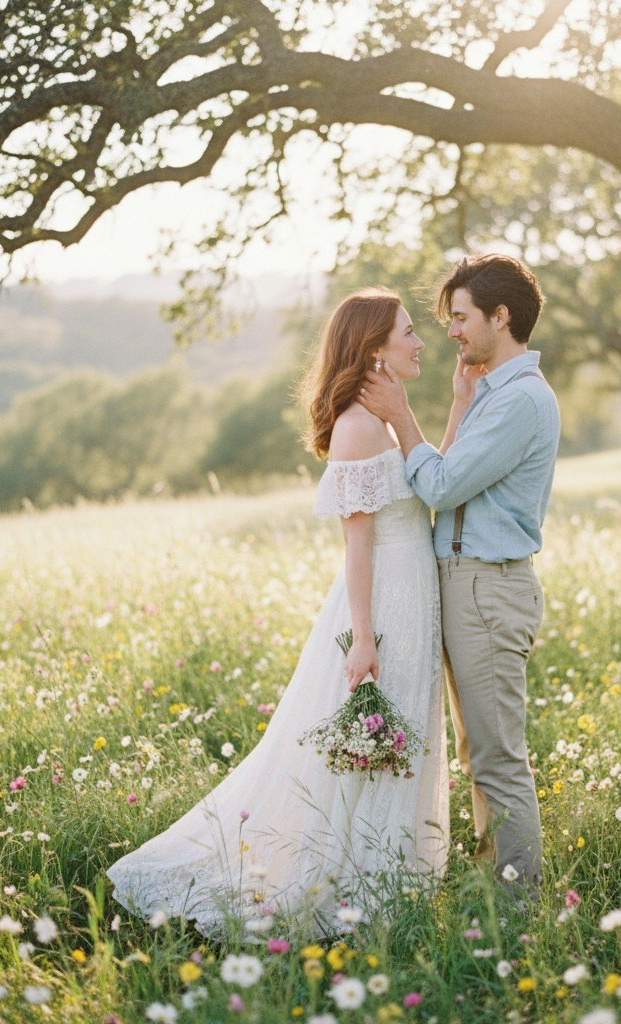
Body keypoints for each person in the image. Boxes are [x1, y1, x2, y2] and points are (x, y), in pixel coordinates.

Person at [107, 288, 449, 937]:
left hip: (413, 596)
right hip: (384, 606)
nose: (420, 341)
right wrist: (365, 637)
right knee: (365, 747)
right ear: (374, 347)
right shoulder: (356, 425)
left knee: (395, 745)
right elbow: (358, 541)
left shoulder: (385, 418)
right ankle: (348, 887)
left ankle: (388, 881)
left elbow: (428, 485)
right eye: (408, 331)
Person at [359, 254, 559, 891]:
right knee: (477, 757)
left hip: (488, 587)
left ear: (501, 318)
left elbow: (441, 487)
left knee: (498, 761)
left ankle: (518, 907)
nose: (450, 331)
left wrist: (400, 415)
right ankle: (488, 886)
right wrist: (452, 408)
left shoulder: (521, 401)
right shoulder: (490, 393)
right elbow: (449, 477)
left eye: (462, 317)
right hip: (467, 585)